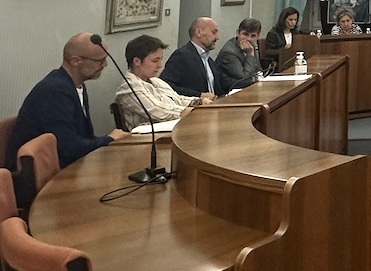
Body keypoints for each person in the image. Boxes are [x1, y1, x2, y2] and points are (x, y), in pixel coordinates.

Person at [4, 33, 129, 170]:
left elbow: (84, 137)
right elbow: (69, 148)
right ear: (75, 61)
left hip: (68, 166)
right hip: (34, 176)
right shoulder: (54, 91)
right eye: (100, 60)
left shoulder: (77, 85)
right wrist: (109, 139)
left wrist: (111, 139)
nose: (105, 64)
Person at [115, 35, 212, 130]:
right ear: (137, 61)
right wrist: (191, 110)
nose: (160, 65)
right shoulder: (129, 87)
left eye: (161, 60)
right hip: (149, 138)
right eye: (155, 61)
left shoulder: (156, 81)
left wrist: (199, 102)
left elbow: (177, 98)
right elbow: (158, 111)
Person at [160, 17, 225, 97]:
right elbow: (165, 86)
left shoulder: (209, 61)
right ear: (198, 32)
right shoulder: (181, 55)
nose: (217, 37)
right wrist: (199, 95)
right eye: (213, 32)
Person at [217, 18, 263, 91]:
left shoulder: (251, 46)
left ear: (258, 36)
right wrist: (250, 55)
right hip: (228, 91)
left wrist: (257, 77)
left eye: (253, 36)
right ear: (238, 33)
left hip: (247, 88)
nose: (249, 39)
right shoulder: (229, 52)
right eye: (245, 34)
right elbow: (244, 78)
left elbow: (259, 70)